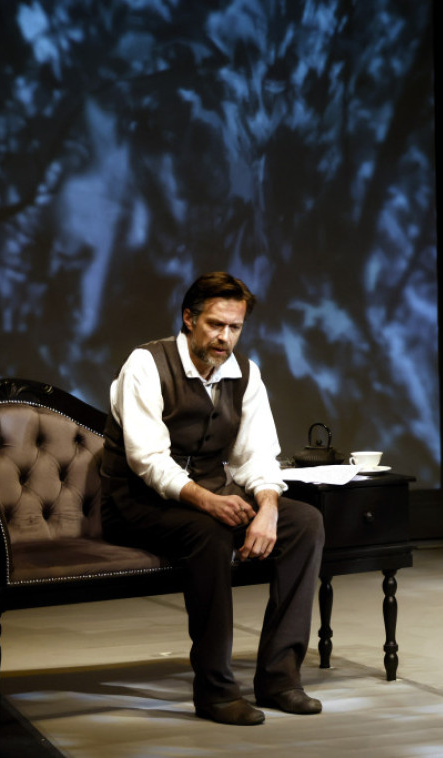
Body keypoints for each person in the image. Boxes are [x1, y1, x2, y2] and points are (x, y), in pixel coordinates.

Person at [100, 272, 325, 725]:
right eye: (215, 325)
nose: (225, 337)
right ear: (189, 318)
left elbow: (256, 456)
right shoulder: (146, 364)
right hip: (138, 503)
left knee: (305, 523)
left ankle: (279, 678)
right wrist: (209, 501)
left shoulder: (245, 374)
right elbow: (148, 460)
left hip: (208, 495)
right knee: (210, 532)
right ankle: (216, 690)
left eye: (234, 327)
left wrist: (267, 508)